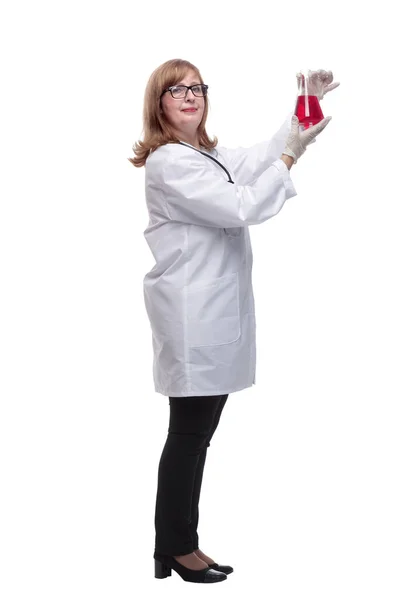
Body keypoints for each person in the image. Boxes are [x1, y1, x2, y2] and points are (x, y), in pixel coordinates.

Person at [129, 59, 339, 584]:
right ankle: (175, 547)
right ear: (159, 104)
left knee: (196, 435)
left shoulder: (204, 154)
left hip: (209, 314)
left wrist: (302, 113)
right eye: (176, 89)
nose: (190, 95)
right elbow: (240, 204)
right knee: (189, 435)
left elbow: (254, 160)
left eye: (196, 87)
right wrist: (293, 154)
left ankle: (181, 544)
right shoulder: (168, 163)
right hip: (190, 316)